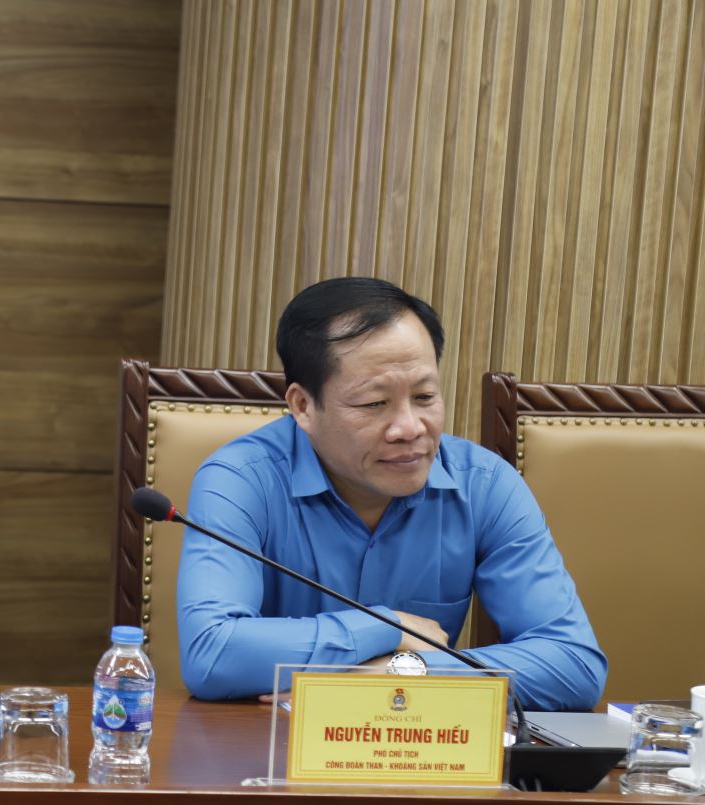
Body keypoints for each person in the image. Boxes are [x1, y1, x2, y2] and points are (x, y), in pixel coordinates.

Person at [176, 277, 605, 711]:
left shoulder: (484, 484)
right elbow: (212, 653)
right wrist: (386, 627)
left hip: (425, 743)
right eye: (374, 404)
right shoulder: (240, 480)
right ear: (303, 406)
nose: (409, 428)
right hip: (265, 746)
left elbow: (574, 665)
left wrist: (404, 672)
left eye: (425, 396)